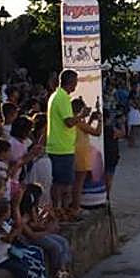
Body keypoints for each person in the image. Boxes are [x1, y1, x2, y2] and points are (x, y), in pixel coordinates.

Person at [45, 70, 82, 212]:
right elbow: (69, 122)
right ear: (71, 82)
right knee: (63, 184)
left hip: (59, 145)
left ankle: (59, 210)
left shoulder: (56, 95)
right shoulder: (63, 98)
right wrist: (81, 115)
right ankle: (62, 210)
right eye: (76, 82)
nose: (76, 85)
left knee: (60, 182)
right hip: (61, 147)